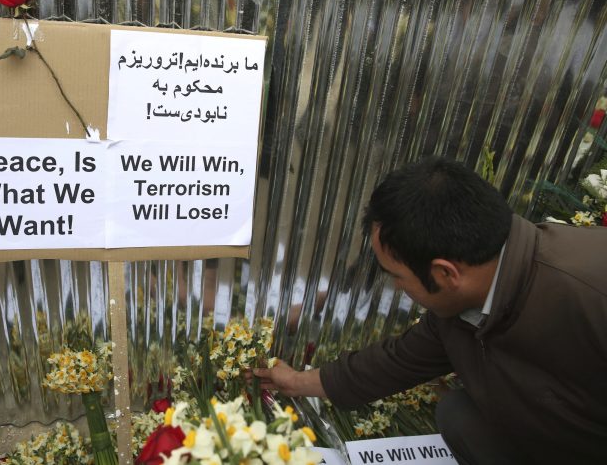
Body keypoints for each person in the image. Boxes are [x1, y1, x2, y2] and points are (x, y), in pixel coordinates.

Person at [253, 156, 607, 464]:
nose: (396, 287)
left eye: (397, 277)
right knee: (460, 417)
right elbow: (395, 362)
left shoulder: (588, 292)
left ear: (445, 273)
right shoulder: (469, 298)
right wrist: (297, 382)